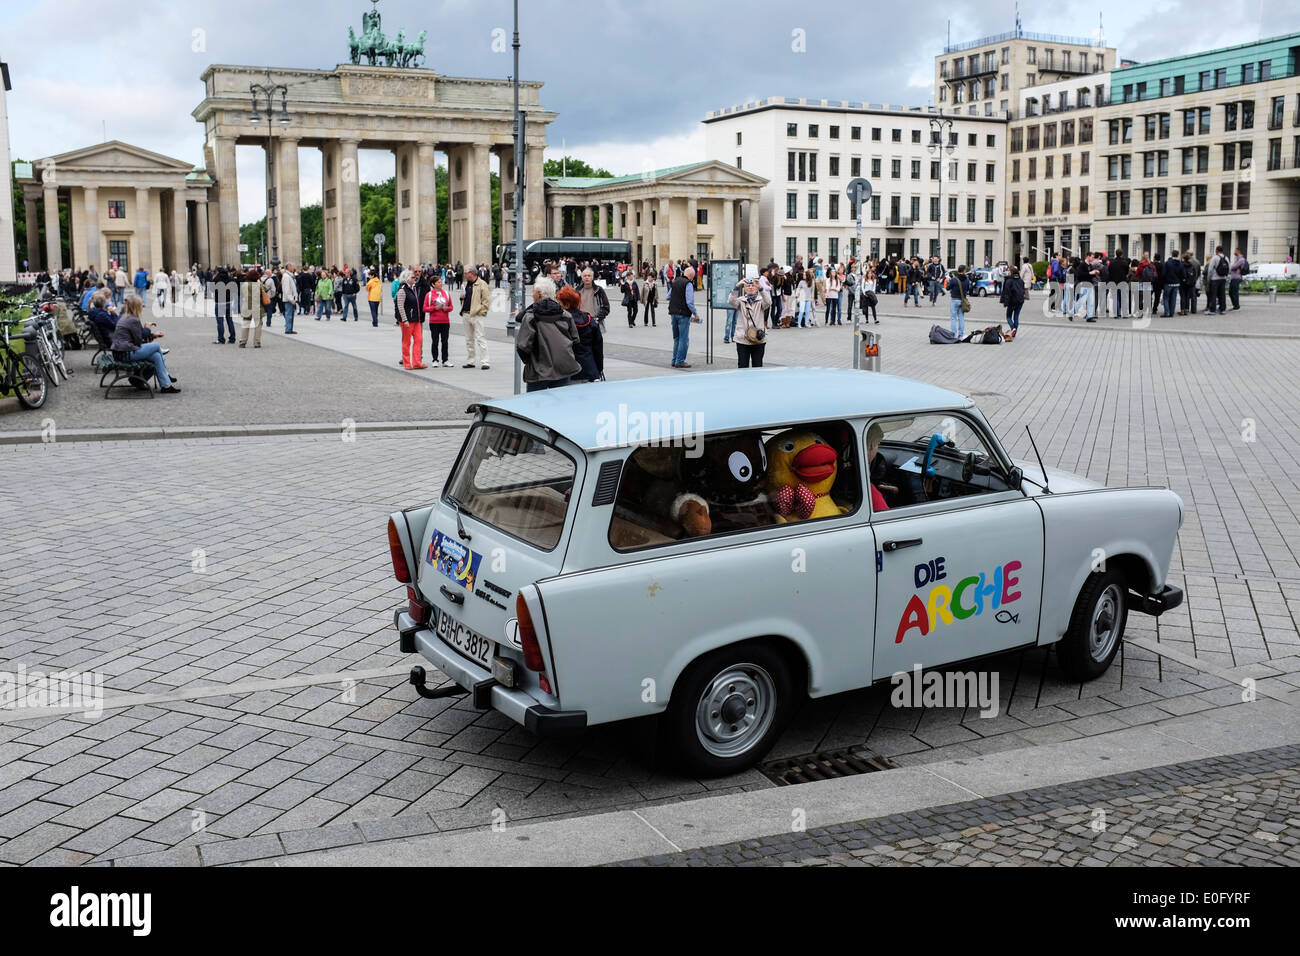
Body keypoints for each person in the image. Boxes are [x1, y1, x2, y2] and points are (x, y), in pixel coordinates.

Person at [516, 277, 580, 391]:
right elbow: (575, 340)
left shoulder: (531, 317)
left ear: (539, 294)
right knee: (560, 404)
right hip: (564, 367)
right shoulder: (565, 315)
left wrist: (530, 362)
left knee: (535, 405)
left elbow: (523, 346)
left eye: (533, 292)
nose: (532, 295)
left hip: (539, 370)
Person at [111, 294, 179, 393]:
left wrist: (152, 335)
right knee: (156, 346)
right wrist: (147, 328)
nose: (142, 307)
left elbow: (138, 338)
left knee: (156, 356)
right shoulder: (133, 320)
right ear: (136, 307)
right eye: (141, 305)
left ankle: (166, 385)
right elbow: (138, 341)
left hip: (121, 352)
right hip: (125, 353)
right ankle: (165, 375)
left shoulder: (126, 317)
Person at [556, 285, 603, 382]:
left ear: (566, 305)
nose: (558, 305)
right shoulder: (589, 320)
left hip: (570, 371)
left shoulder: (561, 321)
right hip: (590, 369)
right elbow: (598, 347)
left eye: (560, 303)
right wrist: (599, 368)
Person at [728, 276, 770, 368]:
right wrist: (737, 286)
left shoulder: (760, 301)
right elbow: (731, 301)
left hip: (758, 338)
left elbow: (768, 302)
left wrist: (761, 288)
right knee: (742, 365)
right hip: (742, 338)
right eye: (748, 286)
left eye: (753, 286)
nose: (750, 287)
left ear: (756, 288)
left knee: (757, 365)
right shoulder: (740, 301)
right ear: (744, 289)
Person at [395, 269, 427, 370]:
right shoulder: (402, 289)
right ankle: (407, 362)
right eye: (413, 277)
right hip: (407, 320)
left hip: (416, 319)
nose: (415, 278)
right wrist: (404, 320)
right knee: (406, 341)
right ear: (407, 278)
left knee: (418, 340)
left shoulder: (413, 288)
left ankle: (417, 362)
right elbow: (400, 306)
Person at [668, 265, 699, 368]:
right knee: (683, 339)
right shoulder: (688, 284)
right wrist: (696, 314)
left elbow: (668, 296)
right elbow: (689, 302)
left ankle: (674, 360)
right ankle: (680, 360)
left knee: (676, 338)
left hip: (673, 313)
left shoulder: (676, 281)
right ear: (691, 276)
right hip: (683, 315)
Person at [459, 268, 490, 369]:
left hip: (476, 315)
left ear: (471, 274)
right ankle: (471, 361)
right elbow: (465, 298)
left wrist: (481, 312)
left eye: (466, 273)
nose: (464, 274)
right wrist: (461, 298)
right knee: (469, 339)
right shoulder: (465, 283)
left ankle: (485, 362)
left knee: (480, 338)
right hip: (466, 314)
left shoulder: (482, 284)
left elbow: (486, 300)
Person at [423, 273, 453, 367]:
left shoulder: (446, 294)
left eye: (441, 282)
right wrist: (434, 308)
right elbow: (424, 308)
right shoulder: (429, 295)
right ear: (433, 284)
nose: (441, 283)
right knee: (435, 341)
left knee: (445, 341)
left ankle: (445, 360)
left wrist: (446, 308)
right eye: (438, 282)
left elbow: (451, 307)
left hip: (445, 321)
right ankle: (435, 359)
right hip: (434, 321)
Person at [577, 268, 610, 334]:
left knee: (596, 343)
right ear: (582, 278)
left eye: (589, 276)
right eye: (585, 276)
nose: (587, 278)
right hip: (581, 323)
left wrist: (598, 319)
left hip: (594, 322)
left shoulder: (599, 290)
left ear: (592, 277)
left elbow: (606, 307)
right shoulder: (577, 291)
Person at [999, 266, 1025, 341]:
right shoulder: (1021, 280)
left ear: (1012, 272)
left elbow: (1007, 293)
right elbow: (1023, 290)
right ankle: (1014, 332)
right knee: (1016, 316)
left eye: (1009, 271)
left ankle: (1013, 328)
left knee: (1008, 316)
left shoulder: (1009, 281)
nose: (1008, 272)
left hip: (1012, 301)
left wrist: (1005, 303)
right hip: (1020, 301)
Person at [213, 265, 237, 344]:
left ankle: (221, 339)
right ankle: (232, 338)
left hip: (219, 302)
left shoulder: (216, 279)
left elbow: (211, 289)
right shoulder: (230, 279)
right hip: (228, 302)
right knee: (230, 320)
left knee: (220, 321)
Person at [239, 269, 262, 348]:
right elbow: (265, 291)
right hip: (256, 307)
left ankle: (243, 341)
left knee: (245, 324)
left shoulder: (244, 284)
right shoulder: (259, 285)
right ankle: (257, 342)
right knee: (258, 324)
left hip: (247, 307)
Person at [1206, 245, 1230, 314]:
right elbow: (1229, 269)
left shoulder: (1215, 258)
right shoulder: (1226, 258)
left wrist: (1209, 279)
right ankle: (1222, 309)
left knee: (1214, 294)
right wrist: (1226, 277)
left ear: (1216, 250)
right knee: (1222, 294)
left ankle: (1212, 310)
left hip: (1215, 279)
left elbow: (1210, 269)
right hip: (1223, 279)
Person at [1160, 250, 1184, 318]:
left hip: (1168, 283)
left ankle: (1167, 312)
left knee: (1166, 298)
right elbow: (1182, 274)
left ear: (1172, 254)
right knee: (1173, 299)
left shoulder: (1167, 263)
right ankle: (1171, 313)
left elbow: (1163, 273)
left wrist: (1163, 281)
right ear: (1178, 255)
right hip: (1176, 283)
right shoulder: (1180, 264)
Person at [948, 265, 968, 339]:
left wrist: (951, 280)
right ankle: (961, 335)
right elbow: (968, 288)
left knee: (953, 318)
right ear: (964, 271)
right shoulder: (967, 279)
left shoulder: (954, 279)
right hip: (962, 300)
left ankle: (953, 334)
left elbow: (947, 287)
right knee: (961, 318)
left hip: (954, 300)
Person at [1180, 251, 1200, 315]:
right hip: (1192, 281)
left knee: (1184, 296)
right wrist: (1194, 279)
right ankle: (1192, 310)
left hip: (1183, 282)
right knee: (1193, 296)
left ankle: (1183, 309)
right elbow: (1198, 272)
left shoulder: (1182, 264)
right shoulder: (1197, 262)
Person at [281, 266, 299, 333]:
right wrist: (291, 299)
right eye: (292, 266)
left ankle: (290, 328)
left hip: (291, 298)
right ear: (289, 267)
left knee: (291, 314)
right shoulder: (286, 276)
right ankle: (288, 329)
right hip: (289, 299)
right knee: (289, 314)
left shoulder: (289, 275)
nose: (293, 268)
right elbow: (286, 289)